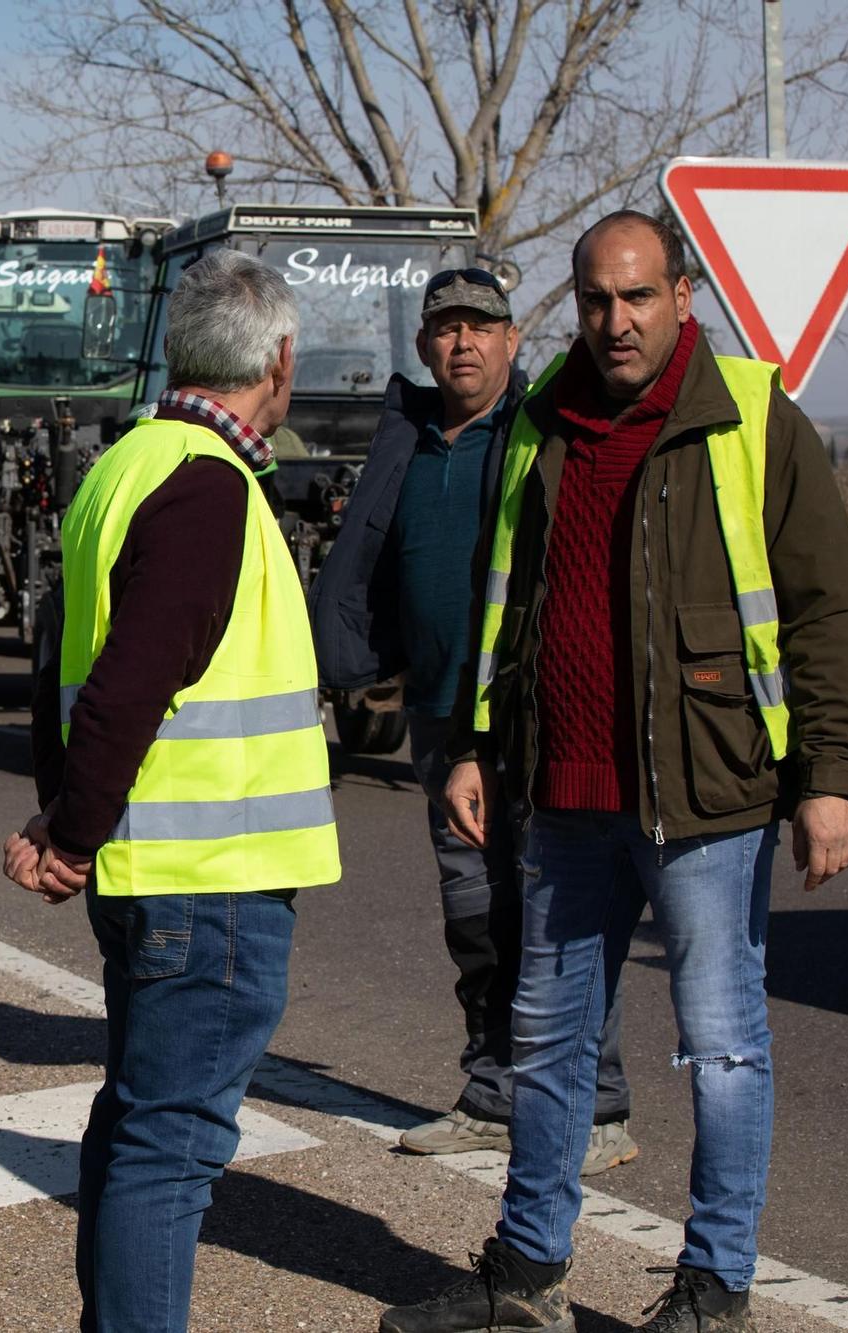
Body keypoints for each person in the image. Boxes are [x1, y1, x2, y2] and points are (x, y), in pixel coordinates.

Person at [380, 210, 848, 1333]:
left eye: (638, 296)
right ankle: (525, 1278)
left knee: (723, 1047)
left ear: (682, 294)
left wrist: (829, 777)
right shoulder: (542, 419)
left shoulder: (748, 417)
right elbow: (503, 599)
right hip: (562, 799)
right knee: (545, 1046)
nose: (615, 321)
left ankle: (711, 1288)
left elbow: (826, 610)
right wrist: (471, 743)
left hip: (707, 795)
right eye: (595, 300)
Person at [5, 249, 340, 1332]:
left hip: (154, 870)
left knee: (137, 1129)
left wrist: (63, 814)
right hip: (215, 881)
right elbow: (131, 675)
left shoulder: (125, 464)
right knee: (170, 1150)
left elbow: (63, 654)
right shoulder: (209, 486)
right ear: (278, 361)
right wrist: (68, 831)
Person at [311, 269, 638, 1175]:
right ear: (423, 347)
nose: (462, 343)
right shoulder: (407, 439)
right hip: (440, 716)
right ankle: (494, 1095)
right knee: (477, 917)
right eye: (445, 329)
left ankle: (598, 1106)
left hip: (539, 715)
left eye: (480, 327)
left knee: (561, 913)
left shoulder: (543, 433)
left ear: (511, 339)